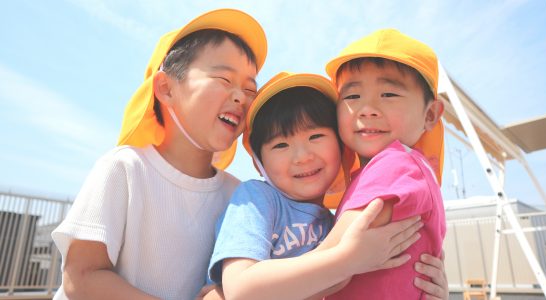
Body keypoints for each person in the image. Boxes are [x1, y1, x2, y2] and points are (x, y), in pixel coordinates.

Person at [50, 9, 268, 300]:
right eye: (224, 80)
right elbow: (82, 277)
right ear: (166, 88)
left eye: (250, 89)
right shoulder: (125, 168)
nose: (241, 96)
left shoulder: (238, 196)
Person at [206, 72, 447, 300]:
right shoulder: (256, 200)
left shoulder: (330, 223)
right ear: (259, 164)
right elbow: (240, 288)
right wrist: (347, 260)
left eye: (316, 137)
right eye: (280, 145)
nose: (301, 156)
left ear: (342, 147)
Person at [319, 28, 448, 299]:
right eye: (352, 96)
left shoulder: (396, 165)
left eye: (389, 94)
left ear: (430, 114)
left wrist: (234, 289)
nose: (367, 108)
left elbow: (324, 272)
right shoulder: (411, 169)